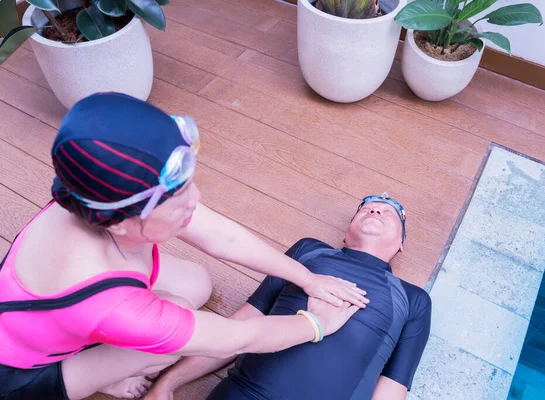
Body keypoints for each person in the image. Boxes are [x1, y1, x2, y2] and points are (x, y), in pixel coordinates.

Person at [0, 92, 370, 400]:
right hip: (29, 374)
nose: (196, 198)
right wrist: (315, 324)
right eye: (179, 201)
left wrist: (309, 279)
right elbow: (235, 338)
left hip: (55, 319)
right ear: (123, 221)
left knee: (197, 283)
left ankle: (102, 357)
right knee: (176, 327)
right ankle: (101, 378)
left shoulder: (93, 193)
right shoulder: (110, 302)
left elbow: (223, 238)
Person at [147, 193, 432, 400]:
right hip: (244, 393)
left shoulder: (413, 300)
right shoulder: (308, 252)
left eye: (387, 213)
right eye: (367, 209)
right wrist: (168, 383)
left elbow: (393, 387)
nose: (375, 212)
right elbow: (242, 324)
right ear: (346, 234)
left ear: (401, 244)